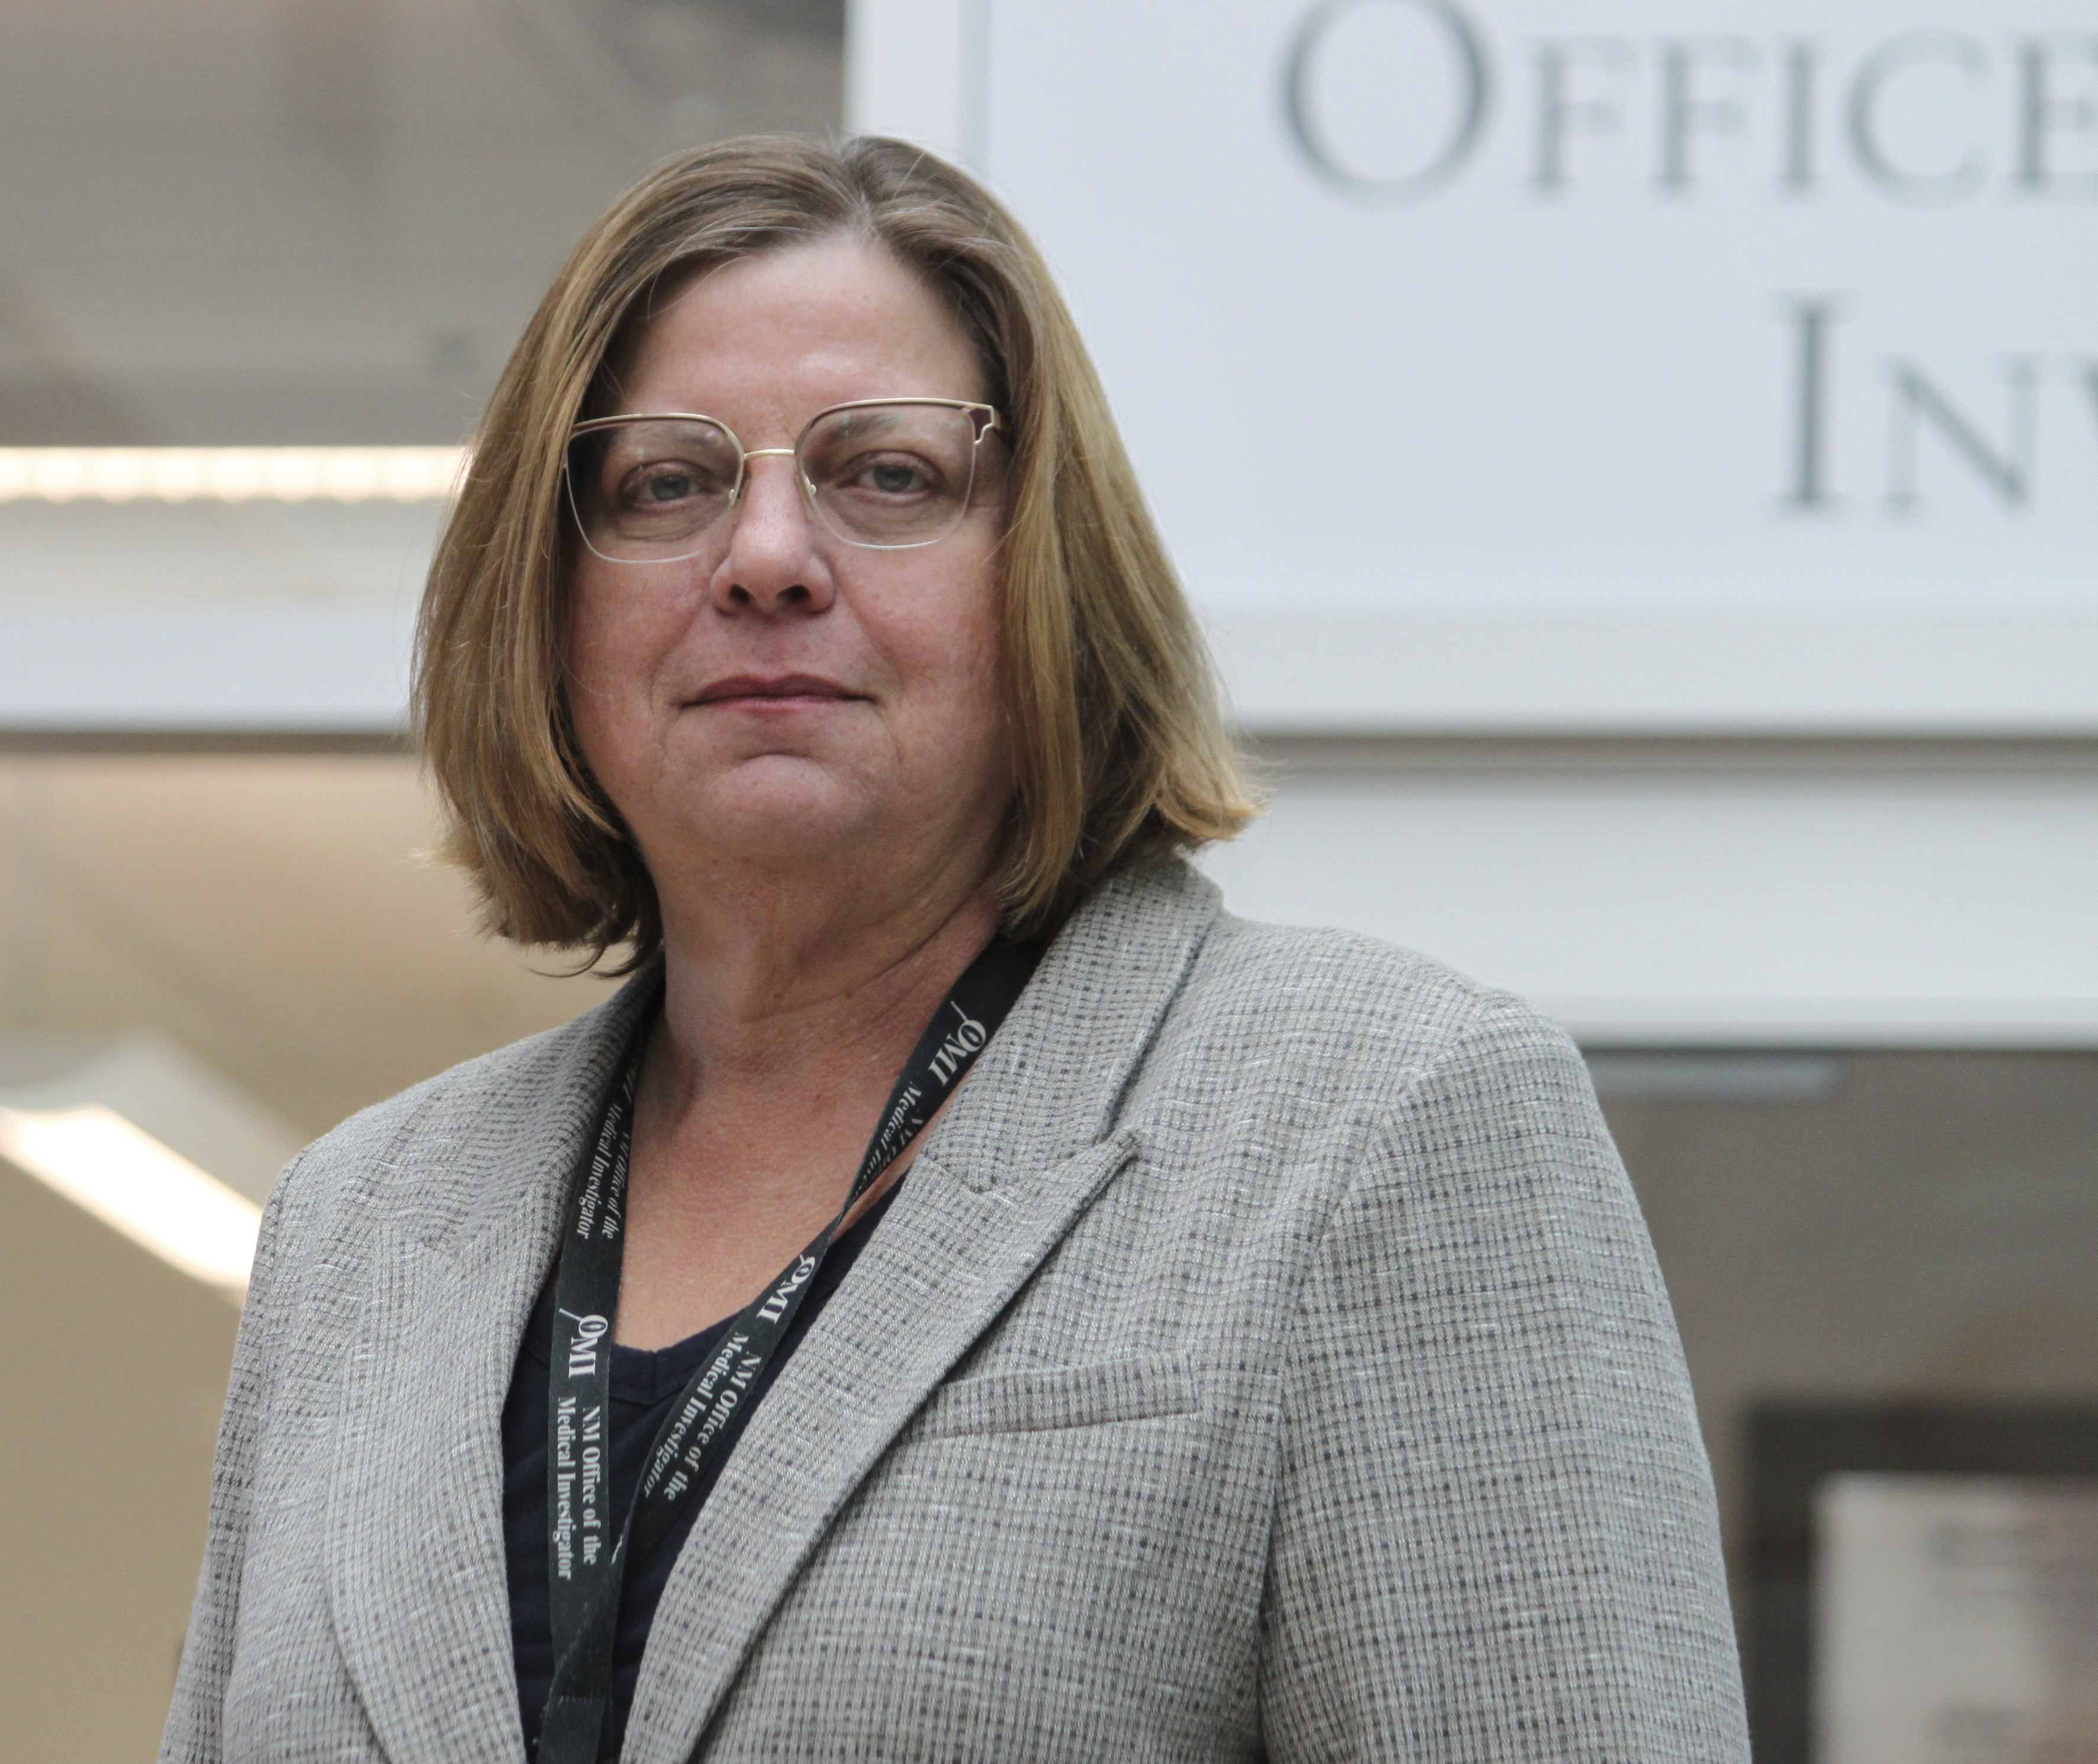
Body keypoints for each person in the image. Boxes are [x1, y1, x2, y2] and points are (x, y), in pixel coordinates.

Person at [160, 135, 1748, 1763]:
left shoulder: (1384, 1121)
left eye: (887, 475)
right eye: (665, 482)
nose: (766, 556)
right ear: (547, 599)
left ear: (1043, 574)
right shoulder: (363, 1225)